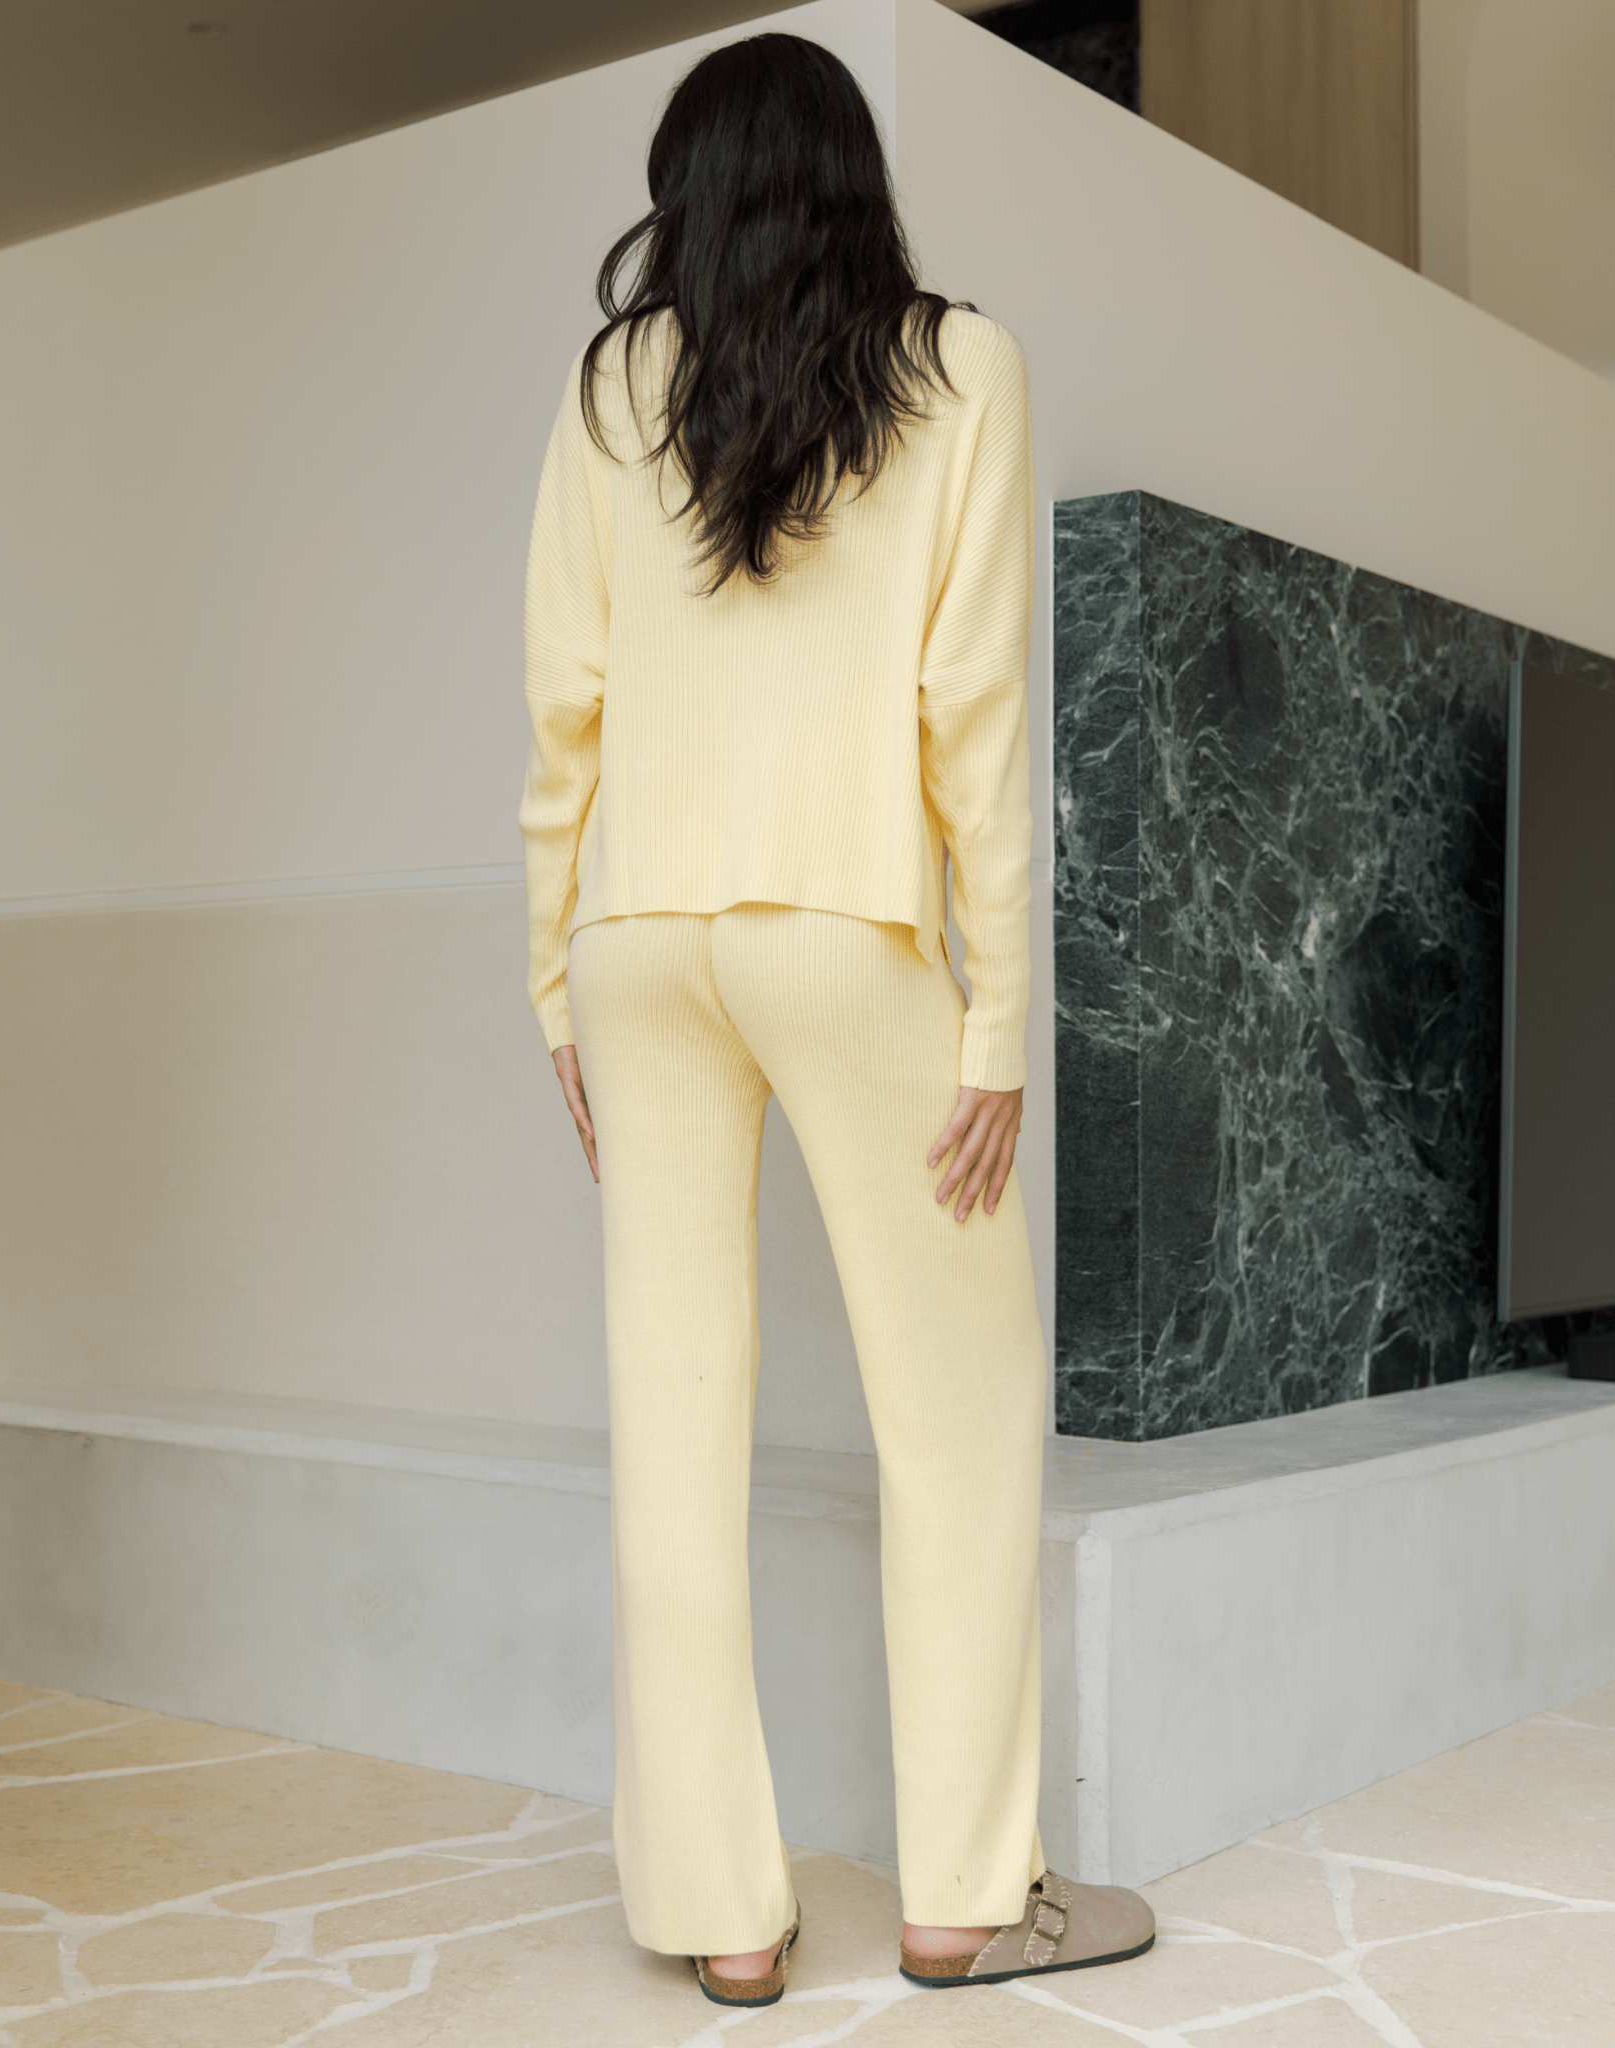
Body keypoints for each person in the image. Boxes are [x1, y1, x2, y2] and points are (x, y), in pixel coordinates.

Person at [519, 30, 1154, 2010]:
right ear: (855, 181)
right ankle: (965, 1893)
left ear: (686, 196)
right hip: (845, 920)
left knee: (671, 1417)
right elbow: (976, 718)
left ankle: (724, 1912)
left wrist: (552, 977)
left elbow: (564, 707)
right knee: (958, 1410)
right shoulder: (961, 369)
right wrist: (999, 1024)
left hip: (640, 937)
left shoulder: (615, 385)